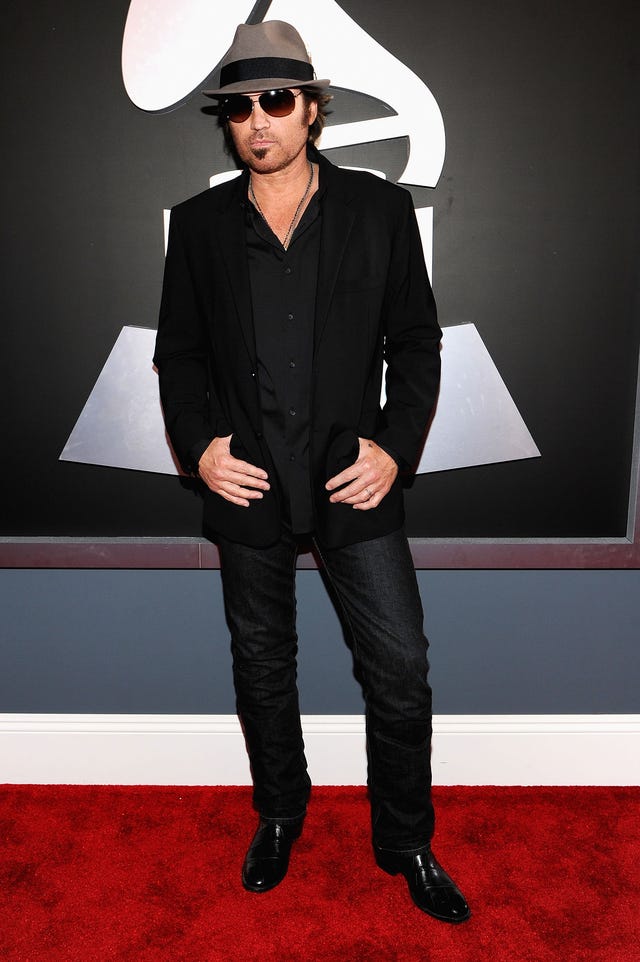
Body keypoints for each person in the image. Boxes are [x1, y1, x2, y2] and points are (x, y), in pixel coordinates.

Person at [153, 20, 470, 924]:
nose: (258, 120)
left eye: (276, 100)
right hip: (248, 478)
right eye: (239, 107)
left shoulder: (378, 210)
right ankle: (280, 814)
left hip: (349, 477)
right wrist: (201, 448)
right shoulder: (200, 226)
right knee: (262, 664)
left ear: (313, 110)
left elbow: (416, 342)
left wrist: (393, 447)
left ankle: (405, 840)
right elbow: (179, 356)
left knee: (400, 667)